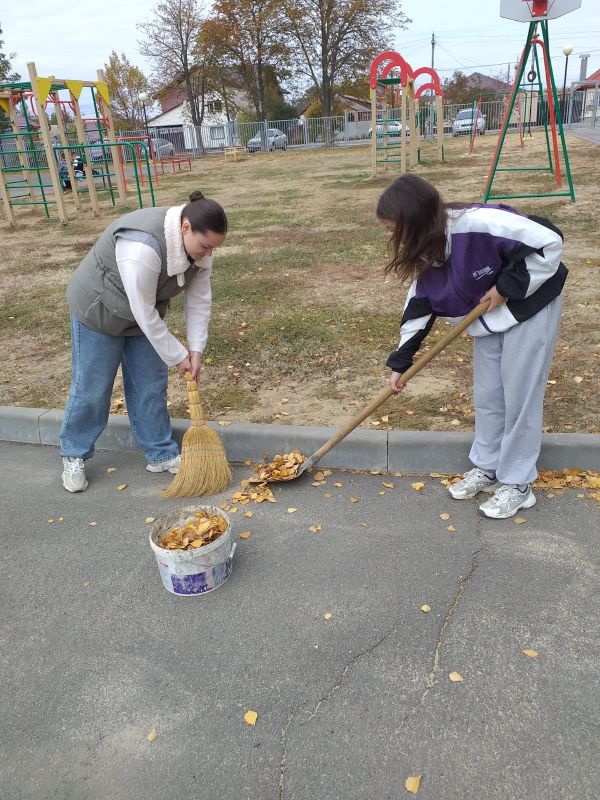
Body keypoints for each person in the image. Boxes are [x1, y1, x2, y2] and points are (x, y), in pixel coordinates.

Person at [377, 174, 567, 519]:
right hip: (489, 319)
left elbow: (548, 240)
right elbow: (418, 307)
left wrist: (506, 287)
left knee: (519, 396)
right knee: (489, 394)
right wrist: (400, 363)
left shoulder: (478, 224)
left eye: (393, 228)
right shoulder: (427, 252)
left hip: (531, 306)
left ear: (414, 219)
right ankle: (488, 467)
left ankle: (518, 484)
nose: (392, 237)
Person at [60, 190, 227, 493]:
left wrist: (195, 349)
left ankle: (160, 453)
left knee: (150, 385)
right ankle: (74, 453)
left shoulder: (201, 252)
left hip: (142, 316)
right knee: (92, 389)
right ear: (185, 228)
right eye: (205, 246)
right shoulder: (143, 247)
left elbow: (199, 300)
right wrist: (177, 356)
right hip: (99, 311)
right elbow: (143, 310)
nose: (208, 254)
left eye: (214, 248)